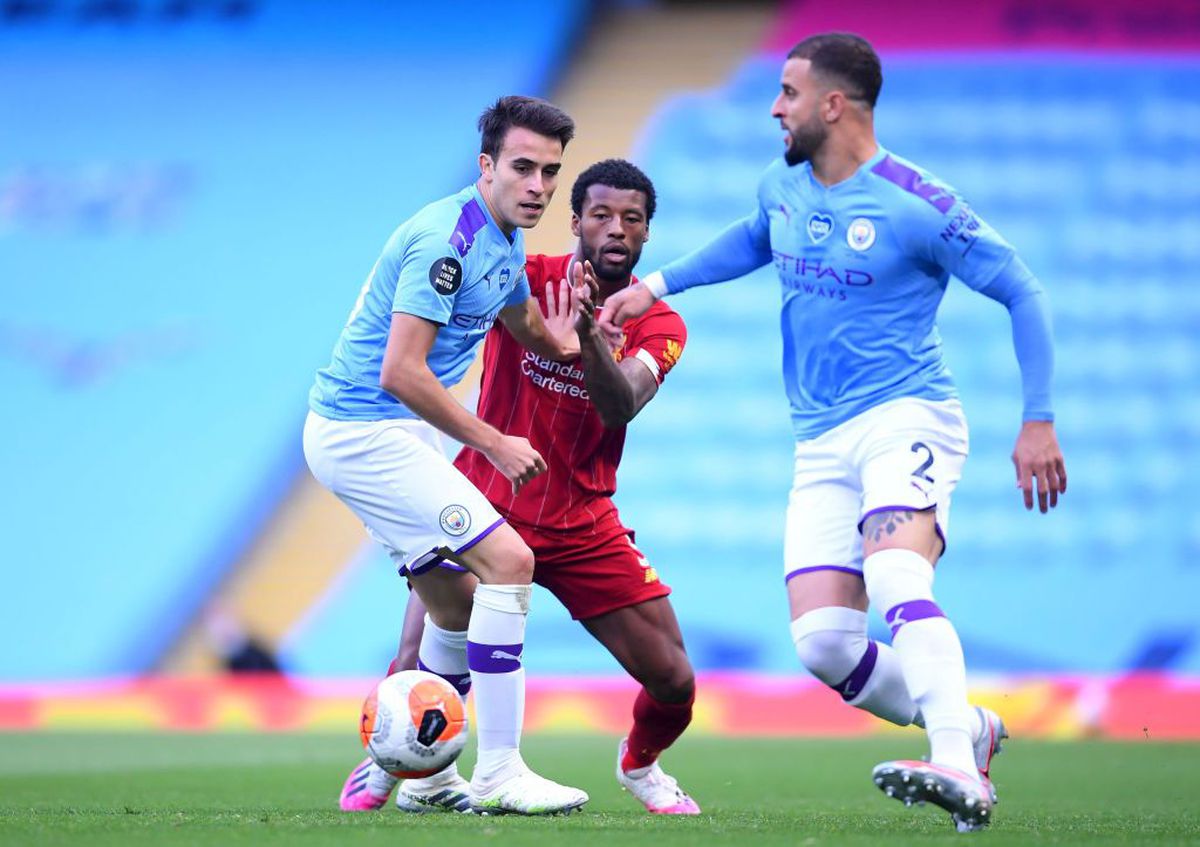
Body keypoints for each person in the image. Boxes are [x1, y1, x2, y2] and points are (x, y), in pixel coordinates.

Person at [599, 33, 1067, 832]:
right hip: (819, 438)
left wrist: (1039, 418)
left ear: (834, 103)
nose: (775, 108)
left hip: (905, 414)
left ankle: (957, 765)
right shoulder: (782, 186)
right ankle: (970, 727)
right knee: (824, 643)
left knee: (897, 578)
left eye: (788, 93)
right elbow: (755, 236)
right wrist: (657, 285)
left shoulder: (917, 204)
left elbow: (1021, 288)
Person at [340, 159, 701, 816]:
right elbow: (436, 322)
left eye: (632, 219)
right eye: (601, 215)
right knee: (417, 660)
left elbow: (619, 406)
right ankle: (392, 758)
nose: (616, 229)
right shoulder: (521, 279)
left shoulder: (661, 326)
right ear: (576, 221)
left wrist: (588, 336)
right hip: (483, 501)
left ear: (648, 232)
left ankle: (641, 764)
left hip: (582, 521)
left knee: (674, 679)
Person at [305, 95, 591, 816]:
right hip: (364, 431)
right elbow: (400, 372)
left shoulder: (504, 235)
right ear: (486, 165)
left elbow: (519, 316)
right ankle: (499, 770)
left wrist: (561, 342)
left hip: (393, 431)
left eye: (550, 172)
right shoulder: (446, 241)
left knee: (457, 603)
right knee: (511, 562)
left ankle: (426, 779)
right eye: (522, 168)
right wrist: (493, 441)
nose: (538, 186)